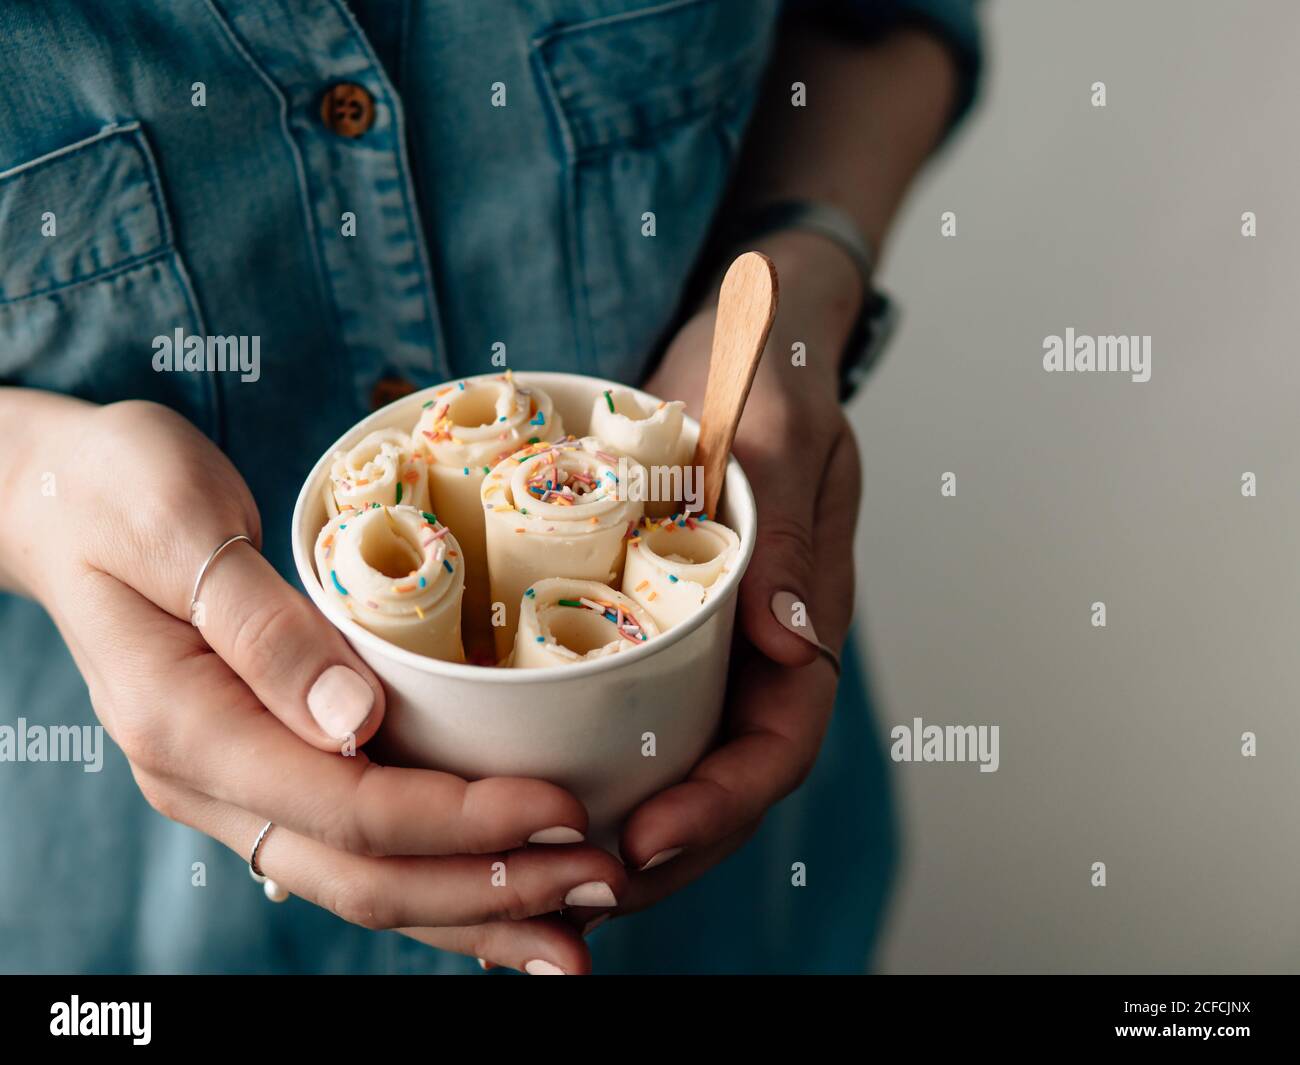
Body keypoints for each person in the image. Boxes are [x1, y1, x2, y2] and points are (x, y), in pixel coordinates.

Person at [0, 0, 980, 974]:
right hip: (136, 907)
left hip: (720, 887)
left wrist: (799, 279)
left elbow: (882, 23)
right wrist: (29, 489)